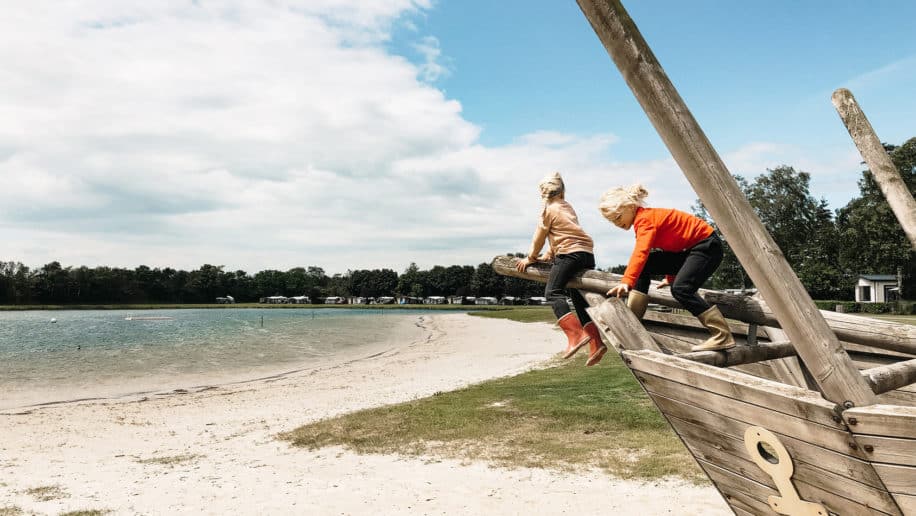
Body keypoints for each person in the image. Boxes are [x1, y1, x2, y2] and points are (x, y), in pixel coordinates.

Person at [599, 184, 735, 351]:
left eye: (618, 217)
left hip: (707, 247)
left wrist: (627, 281)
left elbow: (641, 251)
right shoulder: (645, 219)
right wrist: (670, 277)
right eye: (612, 221)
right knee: (646, 266)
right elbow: (671, 247)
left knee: (681, 289)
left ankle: (722, 335)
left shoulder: (645, 220)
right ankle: (632, 320)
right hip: (691, 250)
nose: (617, 224)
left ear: (631, 207)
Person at [516, 172, 607, 366]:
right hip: (586, 254)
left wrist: (531, 258)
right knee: (578, 298)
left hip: (569, 255)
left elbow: (539, 236)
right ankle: (596, 343)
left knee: (553, 292)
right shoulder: (567, 207)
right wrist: (549, 254)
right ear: (562, 191)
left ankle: (575, 335)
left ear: (542, 193)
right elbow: (565, 232)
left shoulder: (547, 210)